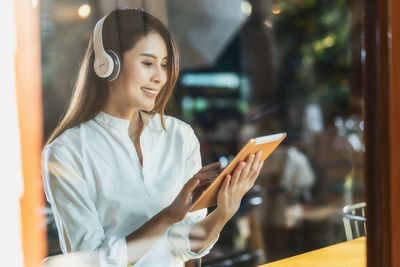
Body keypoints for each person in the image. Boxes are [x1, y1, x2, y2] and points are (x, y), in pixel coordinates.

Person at [42, 8, 264, 267]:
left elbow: (185, 246)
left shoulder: (179, 137)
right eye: (148, 63)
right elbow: (94, 261)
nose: (160, 77)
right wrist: (167, 216)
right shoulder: (65, 153)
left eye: (165, 65)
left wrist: (225, 211)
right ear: (107, 64)